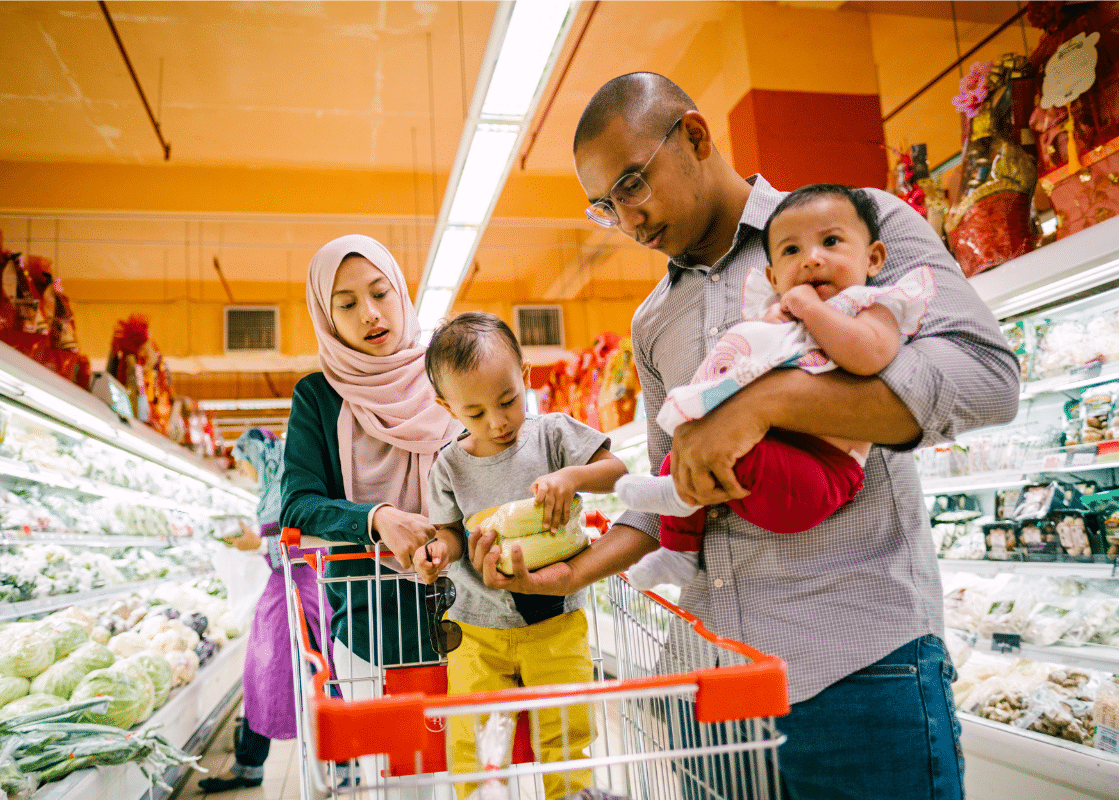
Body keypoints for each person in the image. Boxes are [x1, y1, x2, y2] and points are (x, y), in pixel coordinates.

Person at [467, 72, 1020, 800]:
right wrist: (574, 573)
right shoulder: (653, 322)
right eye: (606, 206)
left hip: (858, 674)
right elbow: (674, 488)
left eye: (633, 183)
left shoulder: (853, 229)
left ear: (695, 136)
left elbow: (986, 379)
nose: (629, 221)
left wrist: (764, 405)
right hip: (710, 693)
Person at [617, 183, 936, 589]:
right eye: (791, 252)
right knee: (685, 453)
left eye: (831, 242)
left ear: (873, 258)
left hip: (824, 472)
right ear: (772, 276)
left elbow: (868, 355)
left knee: (724, 457)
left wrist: (811, 310)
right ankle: (679, 552)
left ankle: (679, 496)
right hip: (776, 451)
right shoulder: (772, 314)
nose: (812, 260)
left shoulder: (872, 306)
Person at [412, 312, 628, 800]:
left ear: (525, 378)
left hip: (556, 619)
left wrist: (571, 477)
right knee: (472, 742)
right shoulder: (448, 465)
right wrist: (436, 551)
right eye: (476, 412)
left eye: (508, 400)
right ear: (449, 407)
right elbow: (447, 531)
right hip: (476, 628)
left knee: (568, 734)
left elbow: (617, 472)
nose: (499, 421)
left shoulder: (553, 434)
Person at [279, 234, 462, 791]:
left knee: (473, 768)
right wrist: (378, 518)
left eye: (380, 293)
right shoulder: (318, 397)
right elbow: (298, 502)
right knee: (399, 781)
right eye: (347, 303)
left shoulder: (445, 373)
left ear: (401, 295)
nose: (371, 314)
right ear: (327, 317)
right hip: (368, 621)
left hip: (468, 613)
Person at [199, 428, 327, 793]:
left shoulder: (293, 483)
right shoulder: (272, 488)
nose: (243, 470)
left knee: (319, 675)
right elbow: (276, 533)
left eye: (243, 462)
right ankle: (249, 764)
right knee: (262, 673)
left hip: (303, 588)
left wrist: (258, 541)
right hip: (281, 587)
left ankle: (340, 763)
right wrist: (254, 537)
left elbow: (312, 536)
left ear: (260, 457)